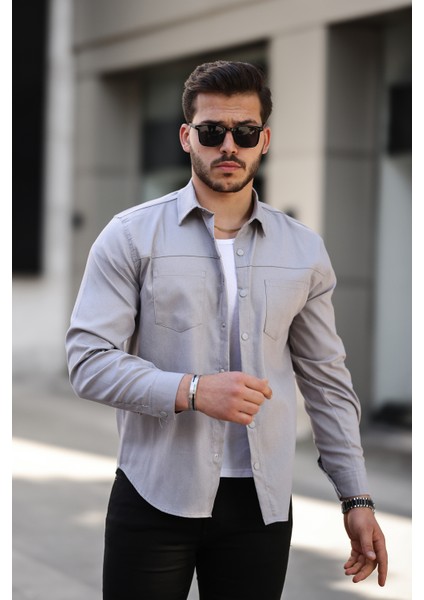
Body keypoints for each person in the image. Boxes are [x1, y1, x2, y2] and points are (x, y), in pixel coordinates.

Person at [66, 60, 388, 600]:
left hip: (260, 505)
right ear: (186, 137)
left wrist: (355, 498)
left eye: (245, 132)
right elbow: (88, 361)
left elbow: (327, 380)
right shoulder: (130, 236)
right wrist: (192, 390)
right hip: (154, 492)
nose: (229, 146)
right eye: (212, 131)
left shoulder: (303, 249)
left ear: (265, 140)